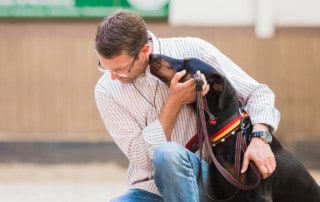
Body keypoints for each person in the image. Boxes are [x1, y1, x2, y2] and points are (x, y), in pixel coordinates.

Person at [94, 9, 280, 202]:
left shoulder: (193, 50)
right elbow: (144, 160)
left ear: (144, 52)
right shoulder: (106, 90)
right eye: (104, 66)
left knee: (168, 154)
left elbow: (259, 93)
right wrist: (175, 102)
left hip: (208, 183)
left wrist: (260, 138)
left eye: (120, 69)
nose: (112, 77)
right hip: (149, 190)